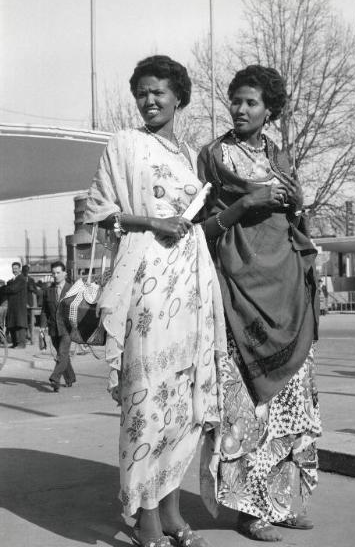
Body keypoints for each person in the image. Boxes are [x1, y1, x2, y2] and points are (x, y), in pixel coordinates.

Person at [84, 55, 226, 547]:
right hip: (148, 284)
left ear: (178, 97)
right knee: (148, 399)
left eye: (158, 92)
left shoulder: (188, 153)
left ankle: (171, 509)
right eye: (142, 92)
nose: (149, 100)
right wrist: (151, 222)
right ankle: (144, 518)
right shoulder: (125, 145)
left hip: (189, 285)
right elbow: (100, 212)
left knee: (183, 402)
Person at [197, 65, 321, 542]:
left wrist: (295, 202)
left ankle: (281, 503)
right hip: (240, 291)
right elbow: (202, 226)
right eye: (236, 100)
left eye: (251, 102)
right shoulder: (213, 156)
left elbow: (296, 218)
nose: (241, 109)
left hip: (288, 288)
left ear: (270, 109)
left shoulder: (280, 155)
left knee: (291, 404)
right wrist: (246, 204)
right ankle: (249, 512)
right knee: (248, 407)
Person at [40, 261, 76, 392]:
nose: (55, 275)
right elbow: (44, 310)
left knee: (62, 354)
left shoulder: (73, 289)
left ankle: (55, 378)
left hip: (68, 328)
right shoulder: (48, 291)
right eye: (53, 273)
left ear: (65, 273)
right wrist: (42, 327)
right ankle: (70, 377)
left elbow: (78, 309)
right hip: (54, 328)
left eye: (58, 273)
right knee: (64, 355)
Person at [5, 262, 28, 348]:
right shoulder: (13, 279)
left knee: (20, 324)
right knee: (12, 324)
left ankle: (22, 344)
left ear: (20, 269)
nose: (14, 270)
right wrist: (8, 288)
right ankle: (15, 343)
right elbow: (10, 289)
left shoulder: (21, 279)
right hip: (13, 305)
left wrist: (6, 288)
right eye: (13, 268)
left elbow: (13, 289)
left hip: (19, 306)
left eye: (16, 268)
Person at [22, 264, 38, 342]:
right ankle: (26, 336)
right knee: (23, 320)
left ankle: (31, 337)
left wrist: (32, 289)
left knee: (30, 320)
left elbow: (36, 291)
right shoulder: (20, 279)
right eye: (24, 270)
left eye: (27, 270)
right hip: (22, 303)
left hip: (30, 303)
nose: (26, 272)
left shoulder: (31, 280)